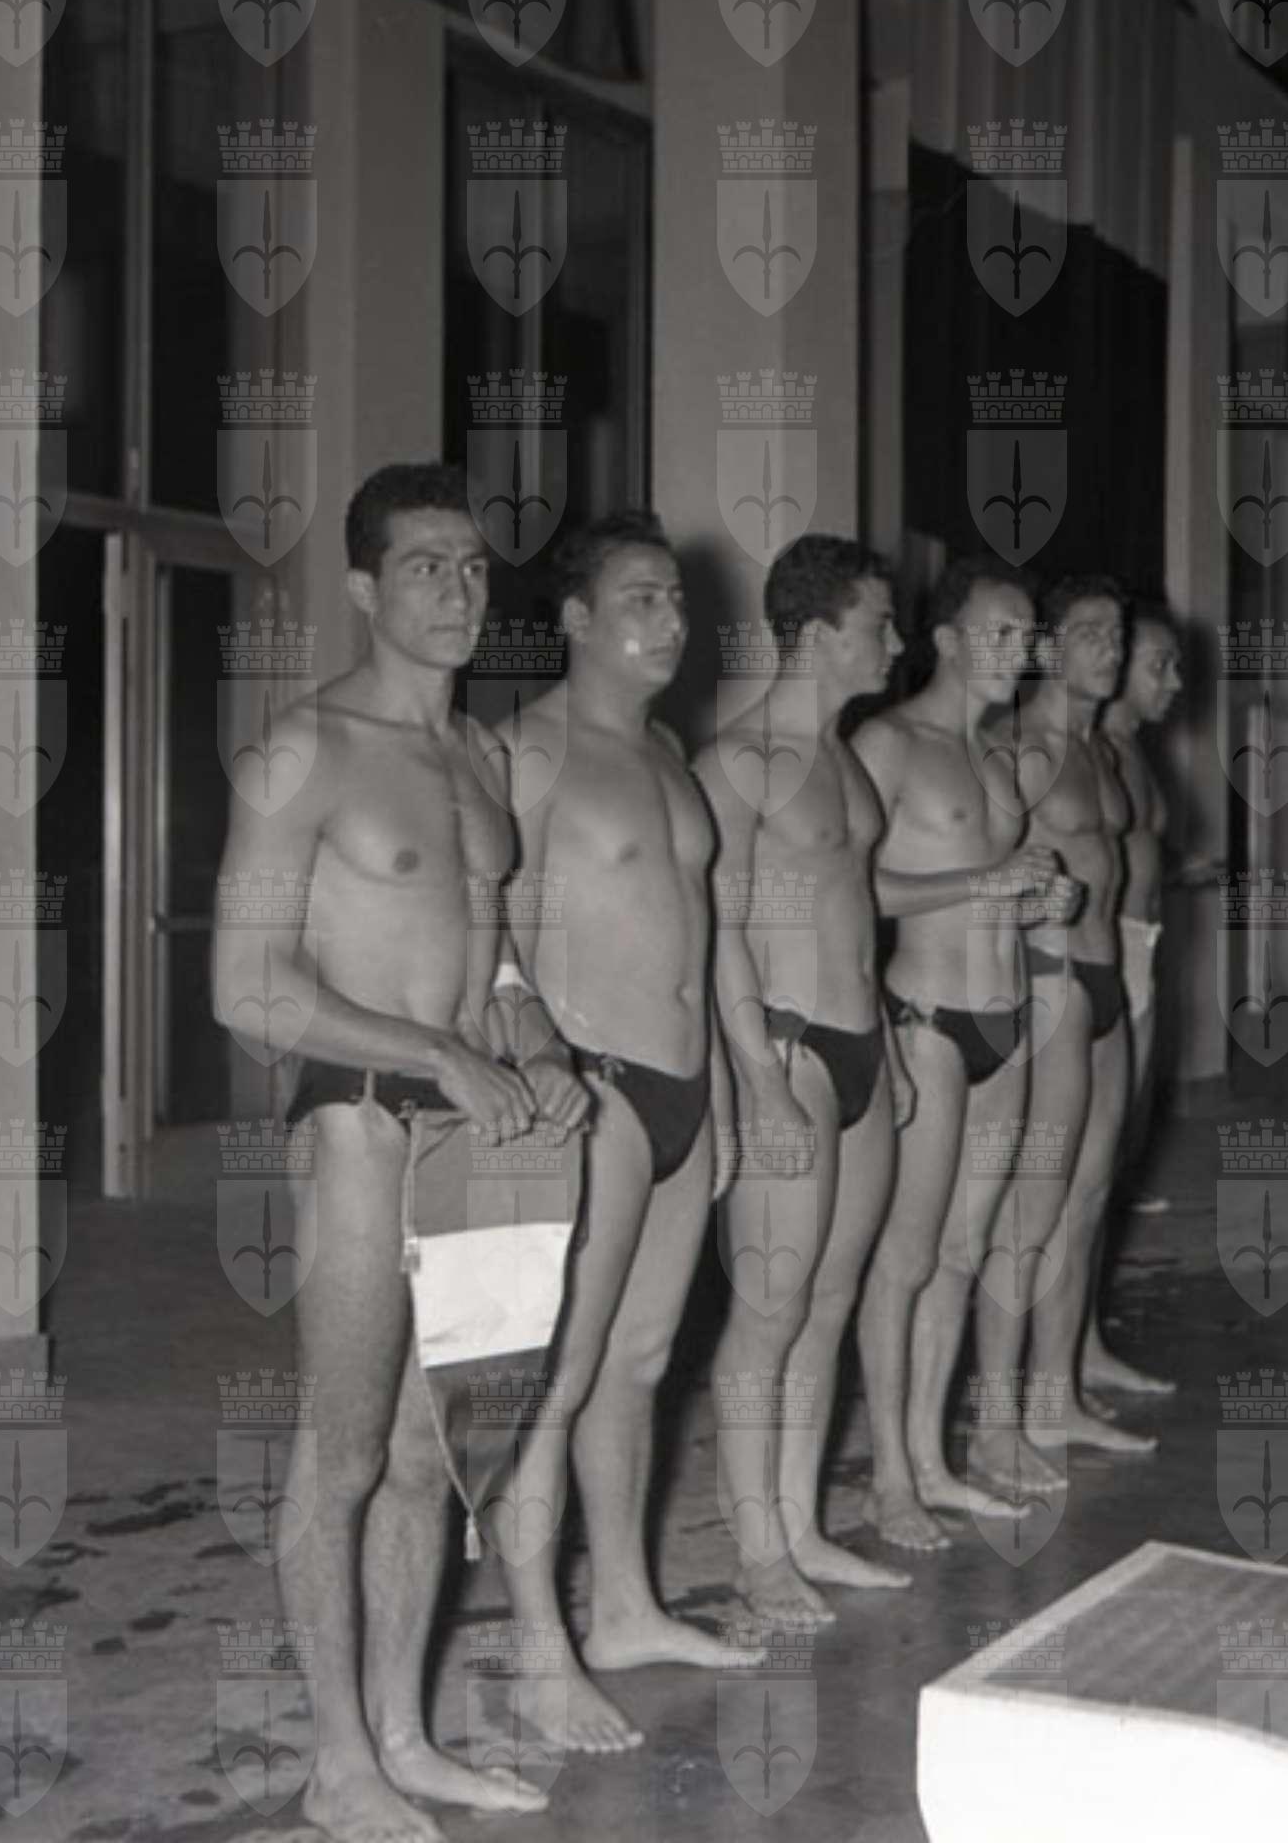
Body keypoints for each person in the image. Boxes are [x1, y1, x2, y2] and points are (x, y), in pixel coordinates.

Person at [214, 464, 588, 1843]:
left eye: (475, 565)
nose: (458, 589)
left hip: (473, 1124)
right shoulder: (302, 752)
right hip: (362, 1116)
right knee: (346, 1451)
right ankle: (336, 1763)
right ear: (365, 587)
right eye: (426, 565)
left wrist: (533, 1040)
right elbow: (246, 987)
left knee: (436, 1455)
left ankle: (404, 1738)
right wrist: (438, 1053)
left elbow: (494, 961)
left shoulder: (479, 755)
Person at [489, 512, 761, 1756]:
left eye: (677, 600)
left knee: (641, 1362)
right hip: (591, 1090)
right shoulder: (527, 753)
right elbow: (485, 931)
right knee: (555, 1377)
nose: (670, 619)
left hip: (685, 1089)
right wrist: (538, 1055)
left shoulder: (667, 752)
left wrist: (731, 1092)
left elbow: (704, 936)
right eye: (641, 598)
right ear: (577, 620)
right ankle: (536, 1649)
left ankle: (626, 1609)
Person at [692, 536, 917, 1622]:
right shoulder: (737, 763)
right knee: (770, 1309)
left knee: (830, 1299)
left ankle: (800, 1526)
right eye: (879, 624)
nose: (897, 643)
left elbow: (857, 914)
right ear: (819, 633)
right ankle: (756, 1551)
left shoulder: (844, 758)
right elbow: (719, 931)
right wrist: (758, 1080)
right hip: (785, 1046)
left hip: (861, 1041)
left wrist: (889, 1047)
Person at [851, 556, 1066, 1549]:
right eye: (1000, 633)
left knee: (963, 1252)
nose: (1019, 653)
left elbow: (997, 885)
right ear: (944, 639)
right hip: (927, 1019)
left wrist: (1039, 896)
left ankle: (936, 1459)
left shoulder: (997, 758)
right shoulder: (888, 743)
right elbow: (853, 889)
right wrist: (985, 884)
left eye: (1026, 637)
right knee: (905, 1257)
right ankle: (889, 1479)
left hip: (1007, 1021)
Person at [997, 575, 1157, 1471]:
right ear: (1050, 647)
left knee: (1090, 1195)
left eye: (1118, 634)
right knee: (1035, 1201)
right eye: (1091, 632)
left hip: (1108, 973)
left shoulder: (1101, 751)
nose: (1112, 649)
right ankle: (1003, 1409)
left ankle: (1054, 1396)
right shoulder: (1017, 749)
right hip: (1048, 981)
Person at [1085, 597, 1182, 1393]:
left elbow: (1133, 854)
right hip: (1103, 954)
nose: (1173, 682)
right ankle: (1067, 1348)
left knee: (1114, 1157)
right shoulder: (1089, 751)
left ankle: (1082, 1338)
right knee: (1086, 1165)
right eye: (1160, 666)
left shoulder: (1133, 752)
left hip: (1140, 948)